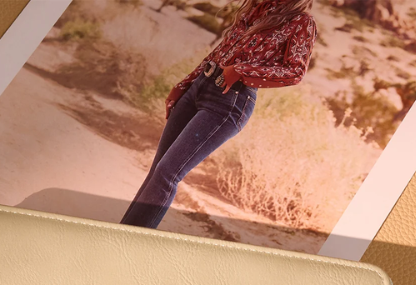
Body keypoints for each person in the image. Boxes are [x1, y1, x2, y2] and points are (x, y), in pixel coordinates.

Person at [119, 0, 317, 229]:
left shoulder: (301, 21)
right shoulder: (255, 8)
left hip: (229, 101)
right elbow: (219, 52)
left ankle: (130, 239)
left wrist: (241, 71)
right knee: (157, 171)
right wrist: (184, 84)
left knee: (167, 173)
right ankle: (123, 232)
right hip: (199, 87)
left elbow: (295, 72)